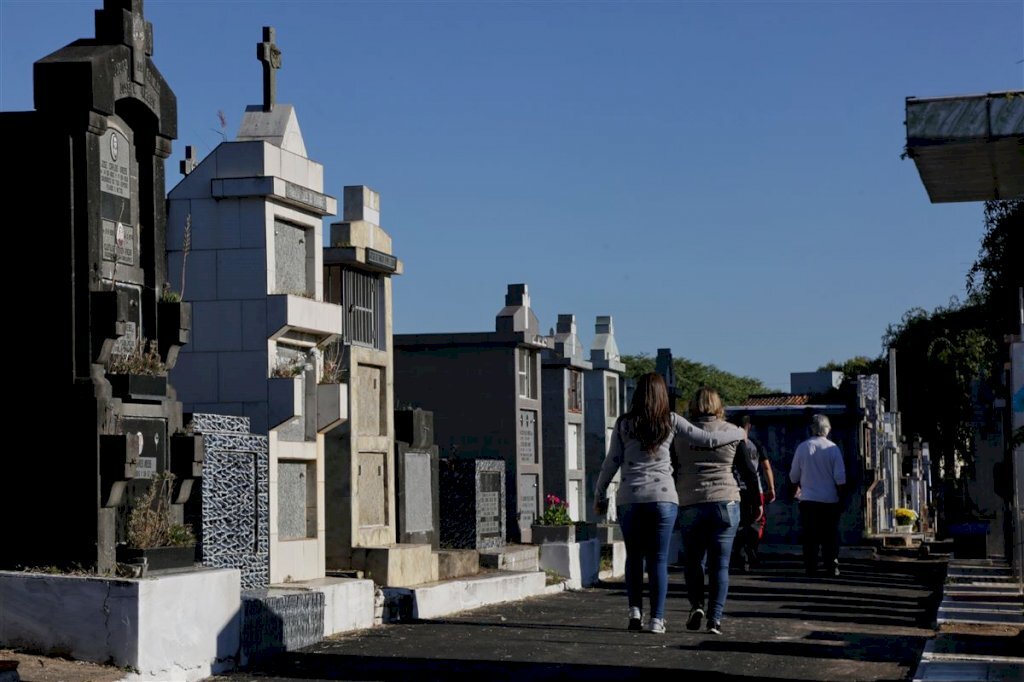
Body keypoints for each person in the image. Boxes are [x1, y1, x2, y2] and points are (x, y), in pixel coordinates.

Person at [594, 373, 745, 635]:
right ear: (663, 395)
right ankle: (657, 620)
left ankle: (634, 613)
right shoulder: (672, 421)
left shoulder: (624, 424)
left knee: (634, 556)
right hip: (663, 498)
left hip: (630, 496)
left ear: (637, 394)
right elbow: (707, 440)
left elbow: (612, 462)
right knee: (658, 559)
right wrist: (739, 432)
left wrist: (600, 493)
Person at [673, 387, 754, 636]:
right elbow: (748, 471)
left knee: (694, 561)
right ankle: (715, 619)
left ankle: (696, 605)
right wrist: (756, 501)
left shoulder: (681, 433)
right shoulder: (734, 433)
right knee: (720, 566)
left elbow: (673, 467)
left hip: (690, 500)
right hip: (726, 501)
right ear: (719, 406)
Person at [789, 414, 847, 577]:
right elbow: (840, 478)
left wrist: (796, 492)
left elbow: (794, 476)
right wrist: (842, 499)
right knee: (830, 535)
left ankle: (811, 565)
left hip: (808, 500)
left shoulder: (802, 447)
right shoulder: (833, 448)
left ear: (812, 429)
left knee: (810, 536)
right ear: (827, 429)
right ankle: (832, 563)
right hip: (829, 500)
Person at [731, 416, 776, 571]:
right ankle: (752, 553)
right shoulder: (755, 444)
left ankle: (740, 555)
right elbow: (766, 468)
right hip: (755, 489)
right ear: (748, 426)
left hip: (736, 488)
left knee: (739, 524)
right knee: (755, 523)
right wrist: (771, 488)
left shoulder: (732, 444)